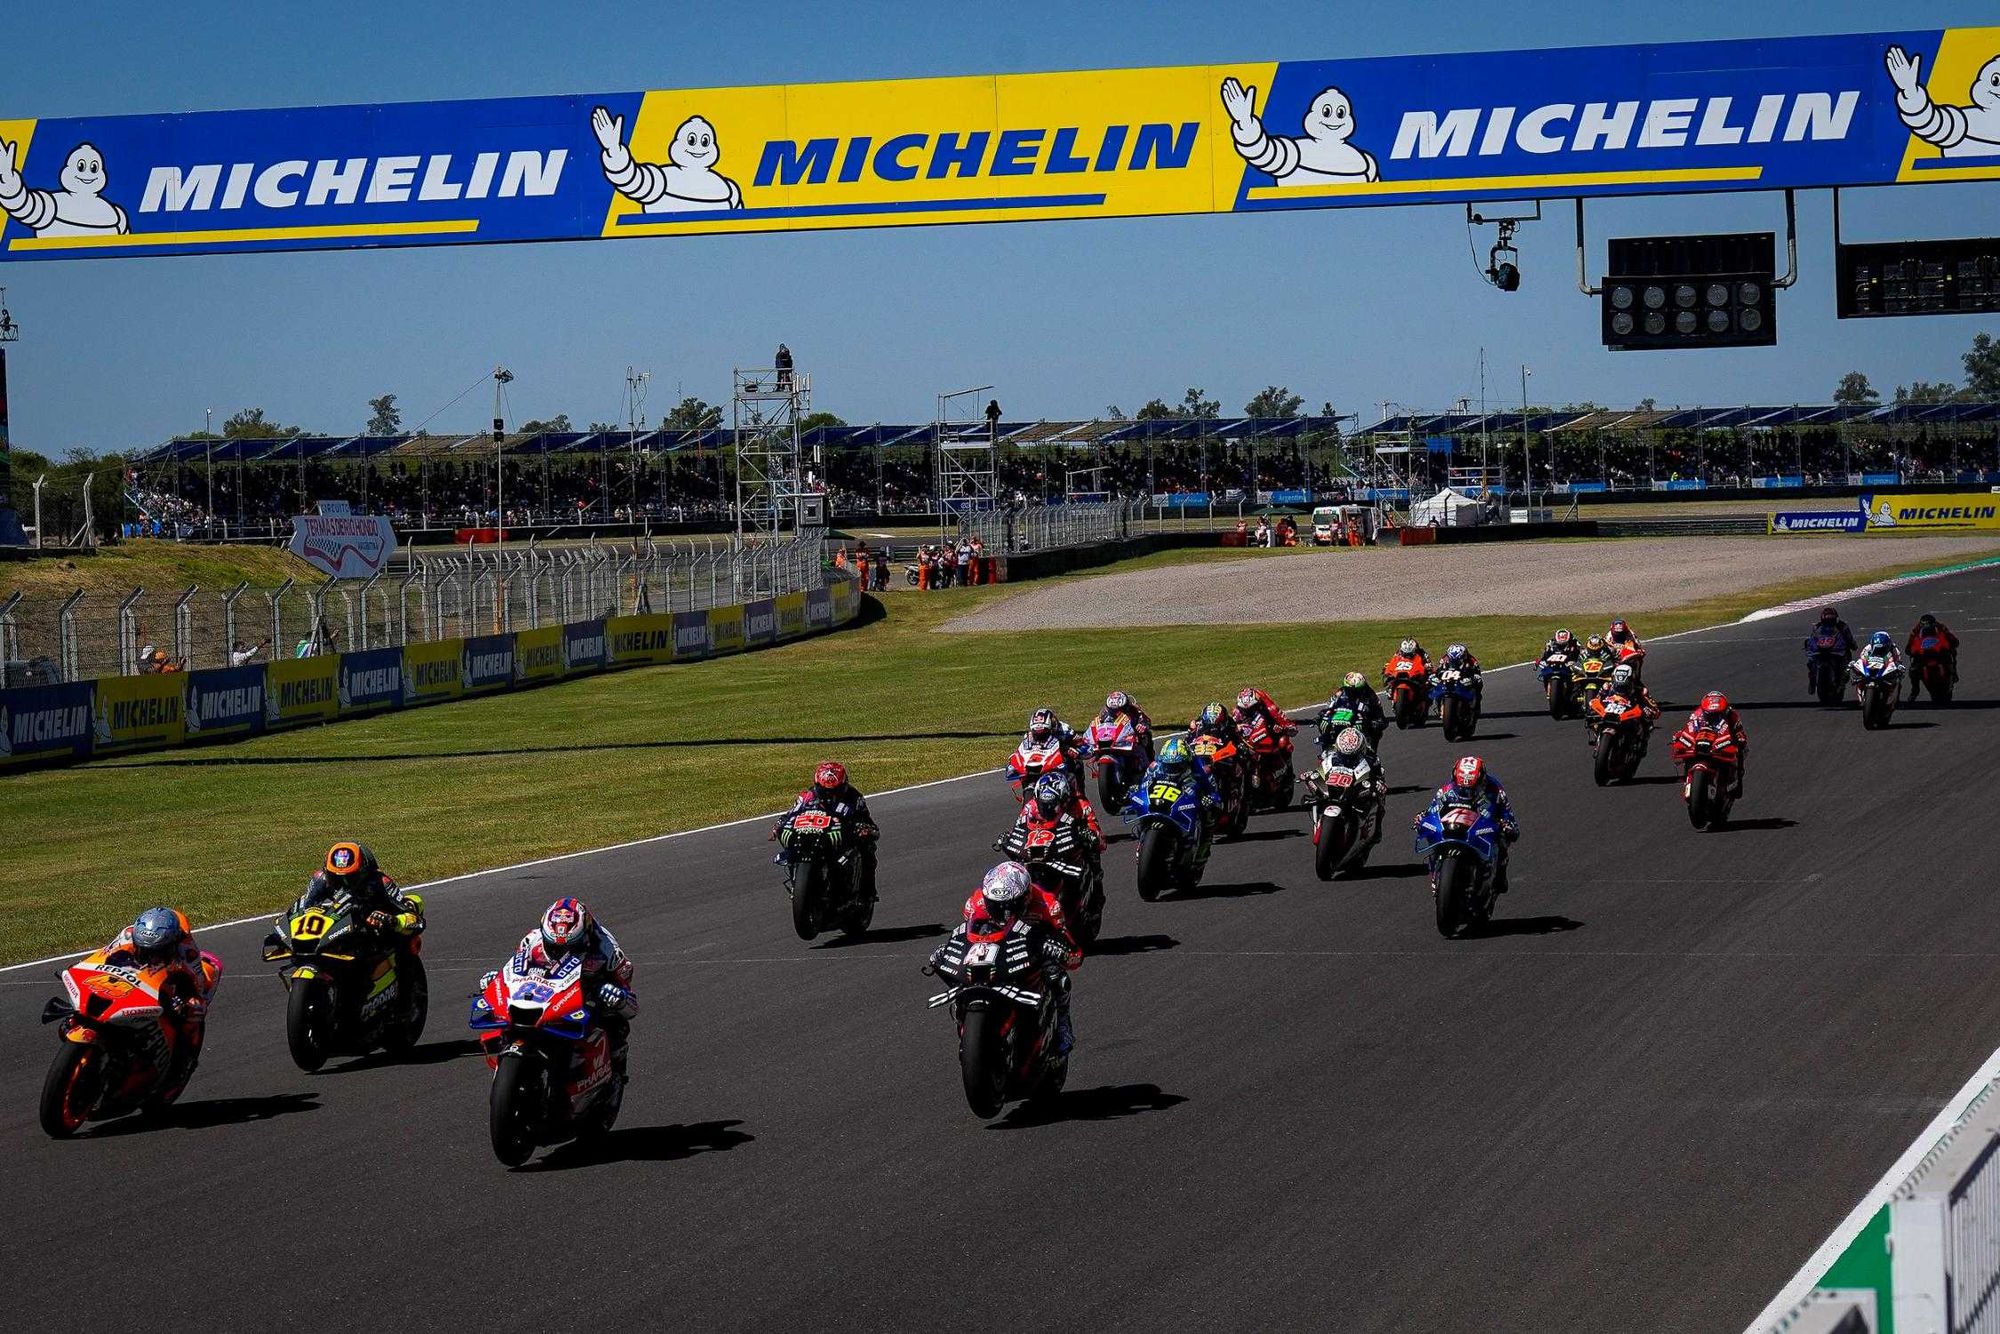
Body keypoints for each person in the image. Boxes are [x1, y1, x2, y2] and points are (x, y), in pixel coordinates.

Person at [940, 862, 1082, 1056]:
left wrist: (1059, 950)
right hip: (995, 947)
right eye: (995, 906)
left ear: (1025, 897)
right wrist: (948, 951)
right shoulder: (976, 903)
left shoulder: (1048, 906)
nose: (1003, 913)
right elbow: (966, 935)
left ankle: (1063, 1025)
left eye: (1010, 906)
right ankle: (963, 1009)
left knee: (1058, 977)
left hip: (1032, 950)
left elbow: (1074, 953)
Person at [510, 898, 637, 1079]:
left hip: (586, 999)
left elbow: (632, 1007)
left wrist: (619, 997)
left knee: (616, 1023)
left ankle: (614, 1074)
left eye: (571, 947)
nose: (562, 953)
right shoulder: (532, 941)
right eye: (554, 947)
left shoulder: (608, 951)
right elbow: (514, 973)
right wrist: (495, 980)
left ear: (586, 936)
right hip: (544, 996)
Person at [98, 906, 219, 1096]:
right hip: (131, 979)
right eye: (146, 950)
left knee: (191, 1020)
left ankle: (179, 1069)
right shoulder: (128, 934)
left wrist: (191, 1004)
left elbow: (198, 990)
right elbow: (103, 957)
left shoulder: (188, 953)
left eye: (157, 951)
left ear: (172, 944)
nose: (152, 956)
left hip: (168, 985)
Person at [307, 842, 425, 970]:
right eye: (335, 877)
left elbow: (416, 921)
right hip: (332, 931)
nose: (344, 883)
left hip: (371, 935)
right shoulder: (319, 879)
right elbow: (306, 907)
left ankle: (408, 984)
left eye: (350, 877)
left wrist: (392, 920)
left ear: (364, 871)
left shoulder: (380, 883)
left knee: (405, 943)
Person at [775, 761, 880, 903]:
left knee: (868, 847)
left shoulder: (854, 797)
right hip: (812, 836)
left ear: (844, 785)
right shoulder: (807, 796)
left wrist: (865, 829)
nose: (829, 794)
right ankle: (798, 883)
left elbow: (867, 821)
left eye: (834, 790)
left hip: (840, 839)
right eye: (824, 790)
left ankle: (867, 893)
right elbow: (790, 815)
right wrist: (779, 825)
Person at [1421, 756, 1520, 892]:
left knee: (1503, 839)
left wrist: (1507, 825)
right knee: (1434, 836)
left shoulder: (1495, 790)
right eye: (1462, 787)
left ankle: (1499, 874)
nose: (1466, 791)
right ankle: (1436, 873)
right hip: (1456, 826)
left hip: (1482, 827)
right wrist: (1423, 818)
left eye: (1472, 787)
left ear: (1481, 780)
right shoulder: (1446, 789)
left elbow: (1508, 815)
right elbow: (1432, 810)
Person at [1138, 735, 1223, 871]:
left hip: (1188, 802)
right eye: (1168, 766)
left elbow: (1215, 795)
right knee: (1142, 808)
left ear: (1187, 763)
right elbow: (1143, 785)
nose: (1171, 771)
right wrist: (1136, 790)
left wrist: (1209, 799)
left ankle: (1201, 853)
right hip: (1163, 798)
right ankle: (1143, 840)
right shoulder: (1155, 766)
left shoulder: (1200, 769)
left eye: (1176, 766)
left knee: (1210, 817)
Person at [1000, 769, 1105, 855]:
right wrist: (1008, 838)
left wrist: (1090, 834)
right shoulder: (1030, 806)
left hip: (1069, 846)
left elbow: (1100, 839)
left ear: (1064, 798)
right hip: (1041, 844)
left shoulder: (1080, 805)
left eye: (1053, 803)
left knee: (1093, 850)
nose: (1048, 808)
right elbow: (1019, 827)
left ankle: (1095, 878)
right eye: (1043, 804)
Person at [1680, 690, 1748, 798]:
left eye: (1717, 714)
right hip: (1702, 744)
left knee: (1741, 751)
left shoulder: (1732, 715)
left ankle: (1737, 782)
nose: (1712, 717)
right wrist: (1680, 737)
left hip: (1722, 746)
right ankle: (1687, 779)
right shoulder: (1697, 714)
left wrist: (1740, 739)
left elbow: (1740, 732)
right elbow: (1689, 728)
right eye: (1709, 714)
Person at [1320, 671, 1386, 747]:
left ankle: (1371, 752)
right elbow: (1330, 705)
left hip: (1362, 726)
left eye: (1357, 690)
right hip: (1340, 721)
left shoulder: (1370, 694)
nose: (1353, 692)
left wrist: (1376, 722)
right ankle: (1325, 752)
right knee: (1324, 728)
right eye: (1350, 690)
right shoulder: (1341, 692)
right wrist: (1322, 715)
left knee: (1376, 732)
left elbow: (1379, 712)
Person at [1804, 605, 1858, 693]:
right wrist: (1809, 645)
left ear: (1835, 619)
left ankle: (1842, 680)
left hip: (1836, 650)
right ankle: (1812, 679)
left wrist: (1852, 645)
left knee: (1847, 658)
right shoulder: (1817, 627)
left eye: (1831, 619)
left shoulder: (1842, 626)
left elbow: (1849, 638)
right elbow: (1812, 639)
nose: (1829, 621)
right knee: (1811, 661)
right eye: (1827, 620)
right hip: (1820, 650)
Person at [1906, 612, 1961, 698]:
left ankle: (1954, 672)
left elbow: (1950, 636)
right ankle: (1915, 690)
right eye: (1924, 625)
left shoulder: (1941, 627)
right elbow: (1911, 641)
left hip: (1938, 650)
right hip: (1923, 652)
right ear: (1920, 624)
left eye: (1929, 625)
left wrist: (1952, 642)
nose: (1927, 627)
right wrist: (1910, 648)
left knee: (1952, 652)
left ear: (1934, 624)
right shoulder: (1916, 629)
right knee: (1913, 668)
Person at [1098, 689, 1155, 758]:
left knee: (1147, 735)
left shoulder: (1134, 710)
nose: (1117, 713)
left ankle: (1150, 760)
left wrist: (1142, 725)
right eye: (1113, 710)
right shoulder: (1104, 713)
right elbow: (1098, 723)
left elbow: (1145, 720)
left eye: (1120, 710)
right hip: (1111, 737)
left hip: (1129, 736)